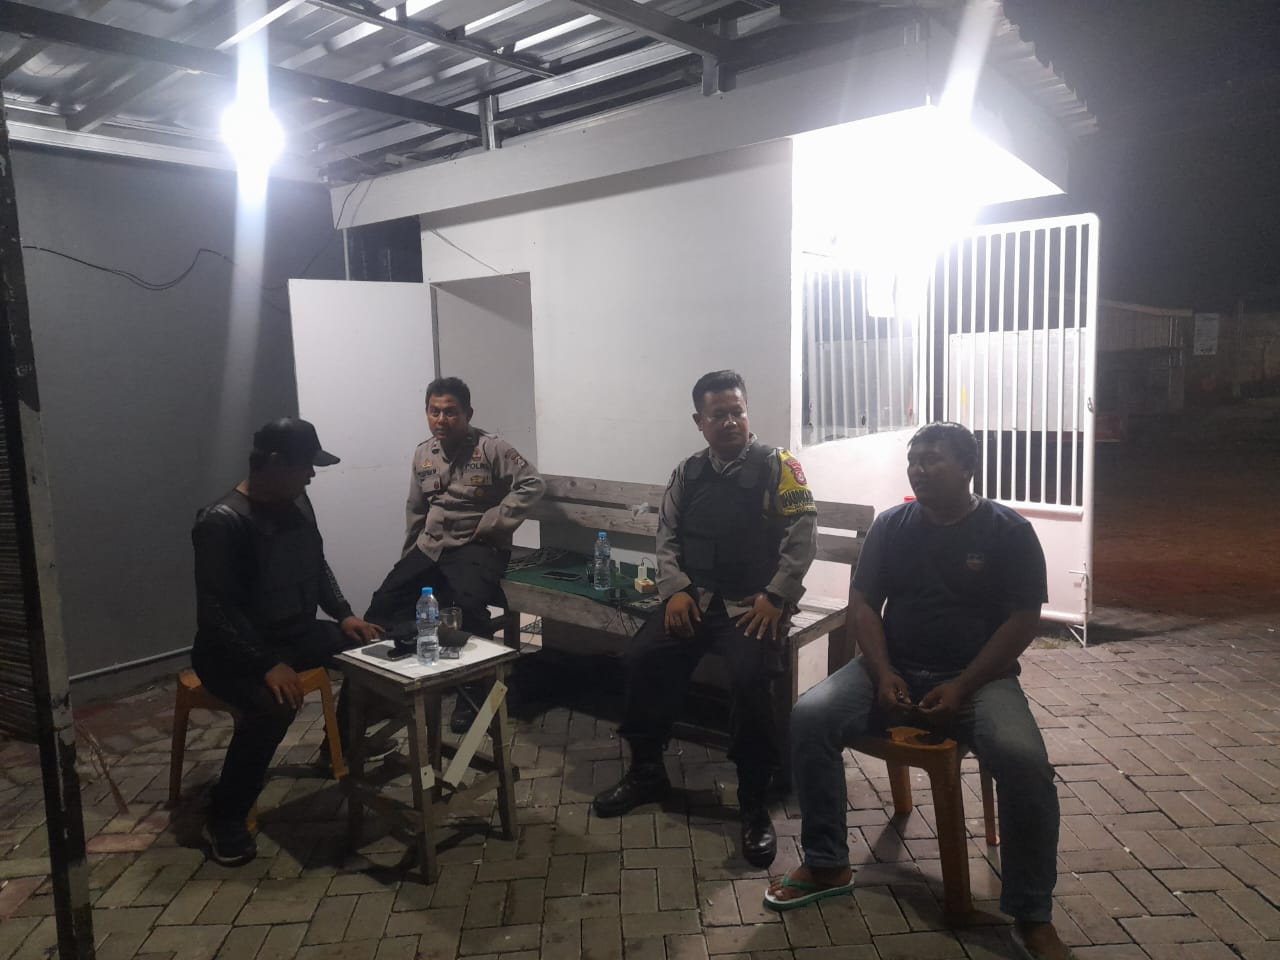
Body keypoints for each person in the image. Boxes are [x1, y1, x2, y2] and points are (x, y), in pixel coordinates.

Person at [766, 422, 1072, 960]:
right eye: (914, 460)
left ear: (968, 467)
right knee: (811, 715)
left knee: (1024, 761)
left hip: (979, 681)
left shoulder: (1008, 531)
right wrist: (883, 671)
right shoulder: (893, 526)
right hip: (895, 669)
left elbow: (1024, 619)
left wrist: (964, 683)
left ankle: (1031, 914)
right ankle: (827, 862)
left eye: (933, 459)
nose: (919, 469)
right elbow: (864, 604)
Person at [592, 370, 818, 868]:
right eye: (719, 415)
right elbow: (666, 535)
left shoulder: (779, 466)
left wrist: (777, 596)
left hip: (751, 606)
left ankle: (755, 802)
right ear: (700, 421)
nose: (730, 421)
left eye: (738, 411)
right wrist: (674, 590)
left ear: (747, 413)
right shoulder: (688, 472)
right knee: (641, 658)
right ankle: (647, 771)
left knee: (750, 679)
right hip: (695, 600)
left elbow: (802, 538)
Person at [191, 417, 383, 867]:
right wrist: (265, 664)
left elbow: (316, 565)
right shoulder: (221, 523)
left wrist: (345, 614)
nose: (312, 475)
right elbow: (218, 611)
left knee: (376, 656)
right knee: (274, 705)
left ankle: (339, 749)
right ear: (275, 463)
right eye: (305, 466)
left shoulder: (297, 503)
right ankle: (226, 814)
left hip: (294, 633)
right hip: (230, 653)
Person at [364, 377, 545, 731]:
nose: (441, 419)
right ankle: (390, 690)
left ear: (467, 414)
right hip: (431, 546)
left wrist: (496, 521)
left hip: (476, 545)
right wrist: (408, 559)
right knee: (385, 601)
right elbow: (416, 510)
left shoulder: (491, 448)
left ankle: (473, 691)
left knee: (466, 605)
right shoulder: (423, 453)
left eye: (450, 412)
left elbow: (532, 483)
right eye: (434, 412)